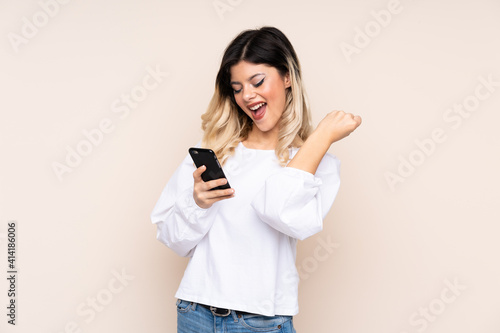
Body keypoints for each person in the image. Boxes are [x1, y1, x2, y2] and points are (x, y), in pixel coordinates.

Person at [151, 26, 361, 333]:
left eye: (257, 81)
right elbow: (172, 239)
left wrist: (321, 138)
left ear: (287, 77)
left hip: (259, 322)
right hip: (195, 311)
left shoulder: (317, 163)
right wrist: (197, 203)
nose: (247, 95)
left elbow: (279, 211)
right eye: (237, 87)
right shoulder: (216, 153)